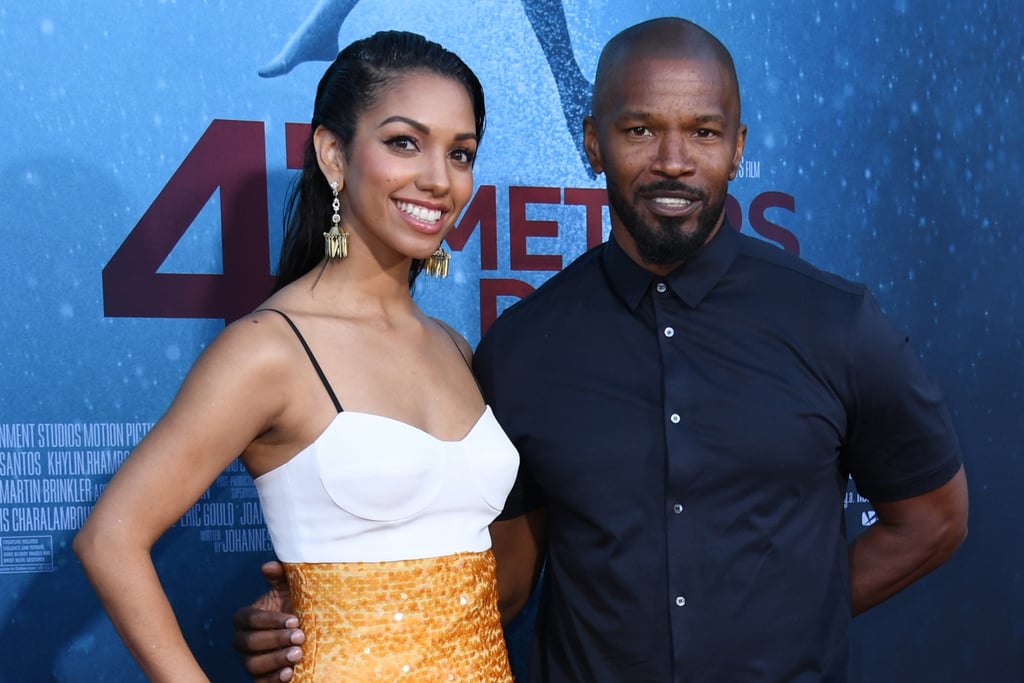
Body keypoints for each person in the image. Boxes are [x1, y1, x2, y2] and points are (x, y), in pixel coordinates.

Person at [232, 17, 969, 682]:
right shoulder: (523, 347)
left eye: (705, 133)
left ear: (739, 149)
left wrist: (792, 618)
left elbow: (933, 517)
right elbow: (508, 575)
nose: (674, 161)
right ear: (592, 142)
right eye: (640, 130)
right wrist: (330, 622)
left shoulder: (836, 323)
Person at [74, 30, 519, 682]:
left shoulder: (454, 345)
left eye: (461, 152)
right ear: (334, 156)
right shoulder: (270, 349)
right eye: (405, 142)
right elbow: (110, 538)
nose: (438, 178)